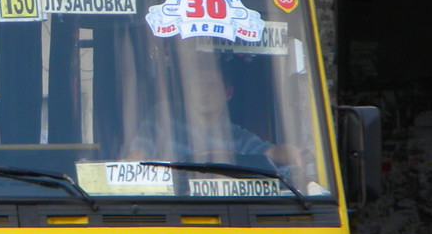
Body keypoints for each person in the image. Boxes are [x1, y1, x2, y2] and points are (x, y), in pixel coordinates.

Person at [122, 61, 302, 169]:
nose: (203, 93)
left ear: (228, 93)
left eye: (211, 86)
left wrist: (293, 153)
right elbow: (136, 159)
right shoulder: (162, 117)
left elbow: (272, 152)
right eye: (197, 86)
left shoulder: (237, 137)